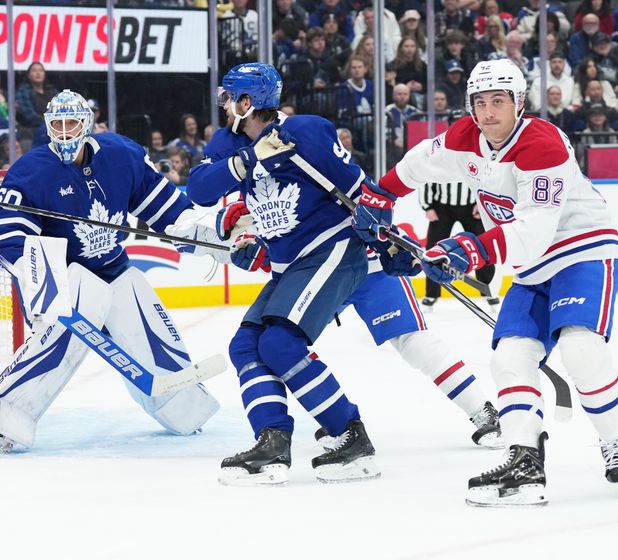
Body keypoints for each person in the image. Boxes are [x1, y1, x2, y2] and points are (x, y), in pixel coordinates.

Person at [187, 63, 503, 487]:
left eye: (230, 97)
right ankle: (277, 438)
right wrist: (256, 245)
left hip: (354, 255)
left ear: (248, 102)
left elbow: (367, 196)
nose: (222, 105)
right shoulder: (228, 141)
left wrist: (392, 244)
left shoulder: (305, 134)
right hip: (302, 268)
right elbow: (201, 188)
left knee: (409, 337)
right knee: (254, 344)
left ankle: (482, 409)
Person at [352, 58, 618, 506]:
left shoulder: (543, 144)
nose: (488, 113)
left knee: (581, 349)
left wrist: (468, 250)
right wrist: (380, 194)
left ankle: (614, 439)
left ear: (519, 103)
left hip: (582, 250)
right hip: (530, 268)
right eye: (480, 102)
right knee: (509, 357)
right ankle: (525, 459)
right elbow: (418, 165)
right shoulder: (465, 137)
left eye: (498, 101)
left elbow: (533, 231)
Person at [0, 90, 229, 452]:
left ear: (87, 125)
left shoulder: (120, 155)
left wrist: (198, 230)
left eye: (71, 124)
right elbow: (6, 231)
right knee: (58, 346)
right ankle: (1, 418)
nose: (64, 133)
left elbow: (161, 202)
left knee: (150, 325)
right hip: (62, 278)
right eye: (57, 125)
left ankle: (183, 409)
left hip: (113, 268)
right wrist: (34, 275)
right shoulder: (30, 171)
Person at [419, 177, 498, 310]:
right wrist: (428, 206)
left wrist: (481, 204)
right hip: (441, 207)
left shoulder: (473, 155)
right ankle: (431, 294)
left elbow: (484, 177)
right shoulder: (440, 156)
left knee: (483, 246)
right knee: (434, 250)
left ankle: (488, 289)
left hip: (472, 207)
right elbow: (428, 176)